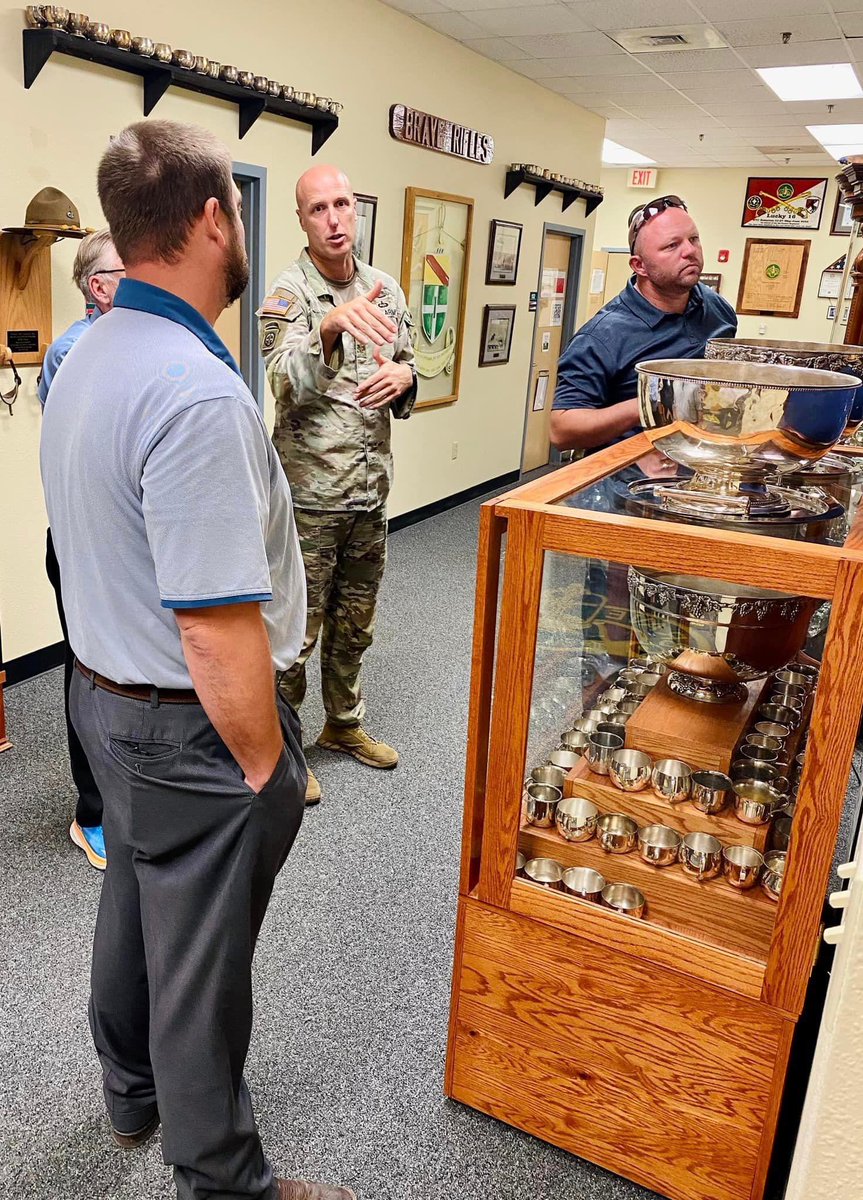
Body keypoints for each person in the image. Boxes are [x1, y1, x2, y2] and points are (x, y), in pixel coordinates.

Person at [41, 119, 354, 1200]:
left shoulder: (83, 355)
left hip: (96, 697)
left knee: (137, 896)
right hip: (184, 721)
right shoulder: (195, 391)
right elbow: (217, 624)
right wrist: (268, 774)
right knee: (203, 961)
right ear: (216, 218)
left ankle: (130, 1096)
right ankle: (222, 1177)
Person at [259, 164, 416, 806]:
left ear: (356, 211)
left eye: (342, 205)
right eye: (318, 208)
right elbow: (279, 383)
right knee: (299, 630)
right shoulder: (289, 295)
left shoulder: (383, 288)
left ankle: (343, 724)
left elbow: (406, 363)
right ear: (301, 218)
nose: (333, 219)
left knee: (356, 623)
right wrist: (325, 333)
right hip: (308, 499)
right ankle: (284, 750)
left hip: (368, 492)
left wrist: (407, 380)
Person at [40, 228, 125, 871]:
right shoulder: (76, 351)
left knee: (123, 673)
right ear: (98, 286)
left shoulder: (126, 341)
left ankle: (124, 797)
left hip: (117, 542)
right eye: (129, 268)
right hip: (80, 544)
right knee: (89, 672)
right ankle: (90, 813)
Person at [551, 194, 737, 454]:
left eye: (693, 239)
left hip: (703, 464)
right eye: (671, 246)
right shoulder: (602, 336)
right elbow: (562, 430)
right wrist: (652, 403)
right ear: (640, 266)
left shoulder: (717, 308)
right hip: (628, 479)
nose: (690, 251)